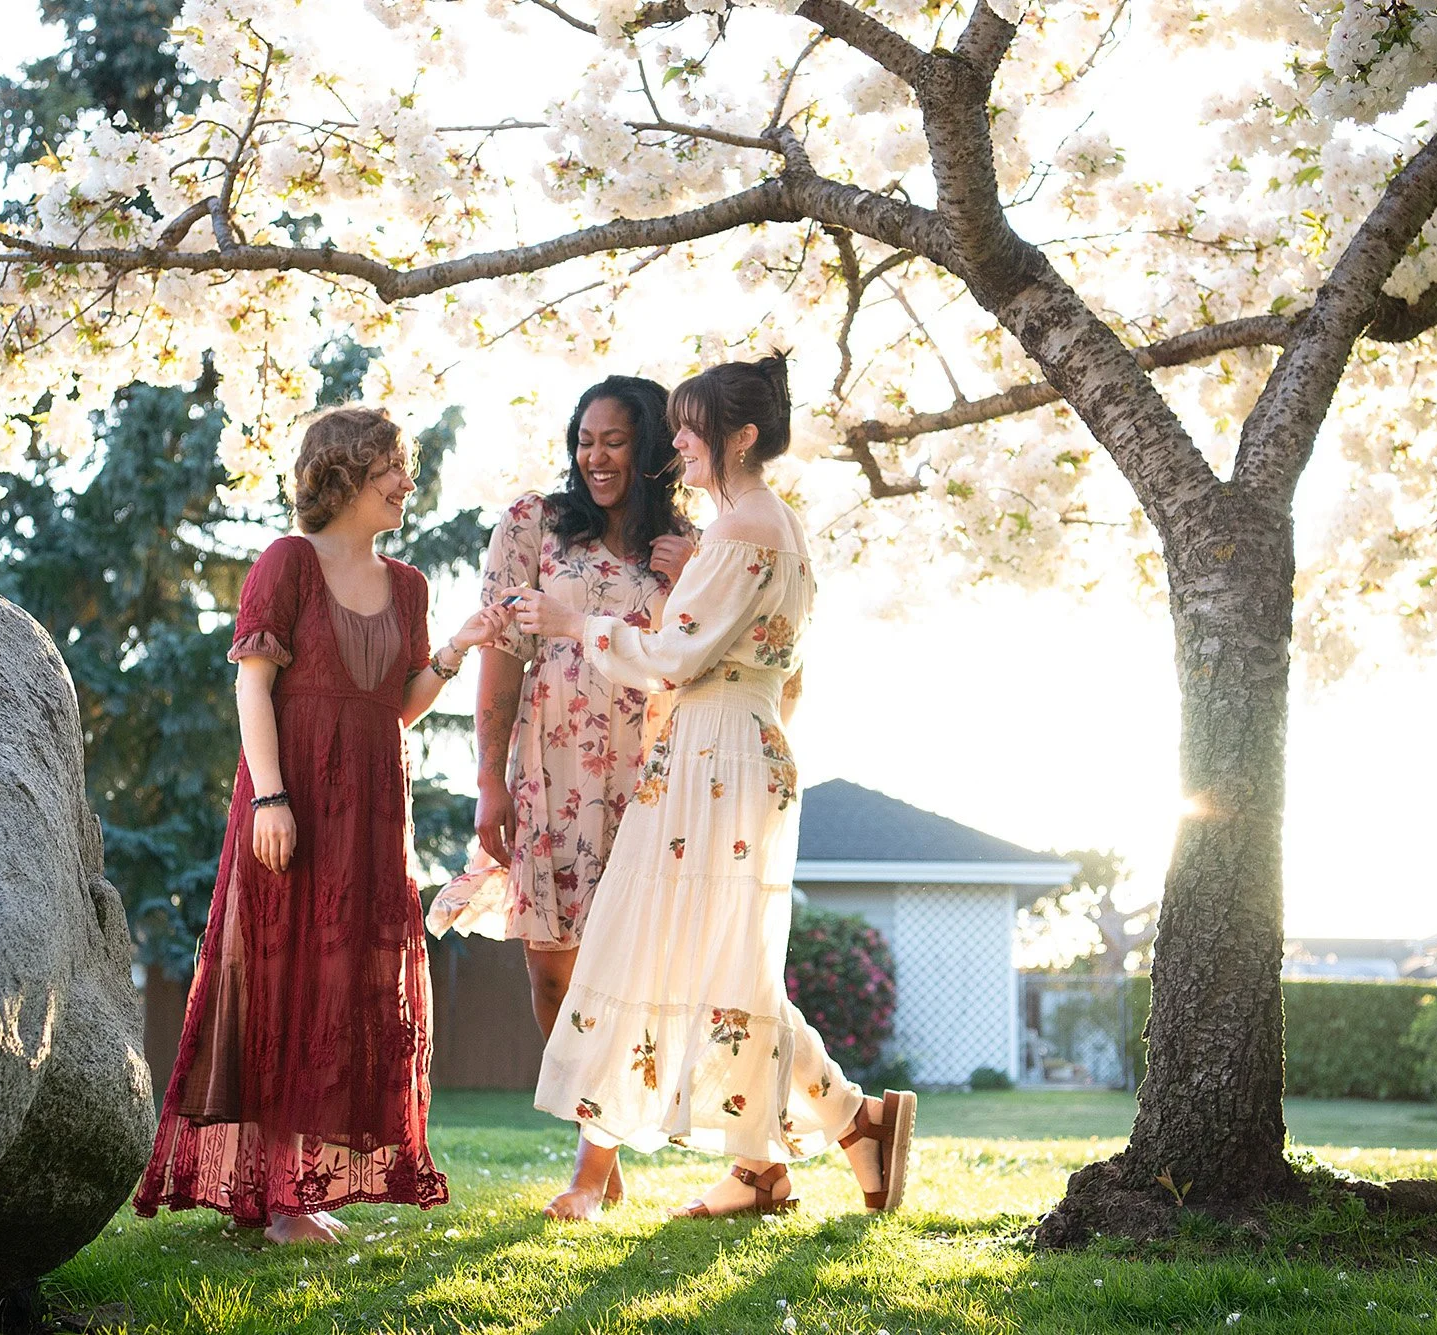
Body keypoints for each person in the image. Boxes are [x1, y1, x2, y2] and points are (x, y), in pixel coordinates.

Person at [508, 355, 915, 1221]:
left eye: (691, 428)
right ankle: (785, 1151)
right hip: (734, 742)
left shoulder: (742, 528)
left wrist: (577, 622)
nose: (678, 443)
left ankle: (811, 1138)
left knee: (705, 956)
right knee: (724, 958)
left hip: (716, 749)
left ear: (740, 437)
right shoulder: (772, 525)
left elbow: (676, 654)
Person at [134, 406, 507, 1243]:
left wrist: (455, 648)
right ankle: (275, 1198)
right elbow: (251, 687)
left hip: (371, 811)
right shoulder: (287, 563)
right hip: (291, 799)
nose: (407, 483)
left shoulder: (408, 584)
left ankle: (290, 1190)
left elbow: (397, 707)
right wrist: (271, 798)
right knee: (280, 977)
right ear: (343, 471)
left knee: (341, 983)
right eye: (392, 467)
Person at [426, 374, 694, 1207]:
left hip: (648, 777)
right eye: (586, 439)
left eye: (614, 440)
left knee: (626, 965)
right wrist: (489, 781)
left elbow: (707, 657)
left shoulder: (688, 545)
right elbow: (501, 654)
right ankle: (598, 1128)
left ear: (652, 447)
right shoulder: (532, 523)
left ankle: (593, 1166)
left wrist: (693, 576)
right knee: (552, 972)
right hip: (550, 768)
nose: (595, 455)